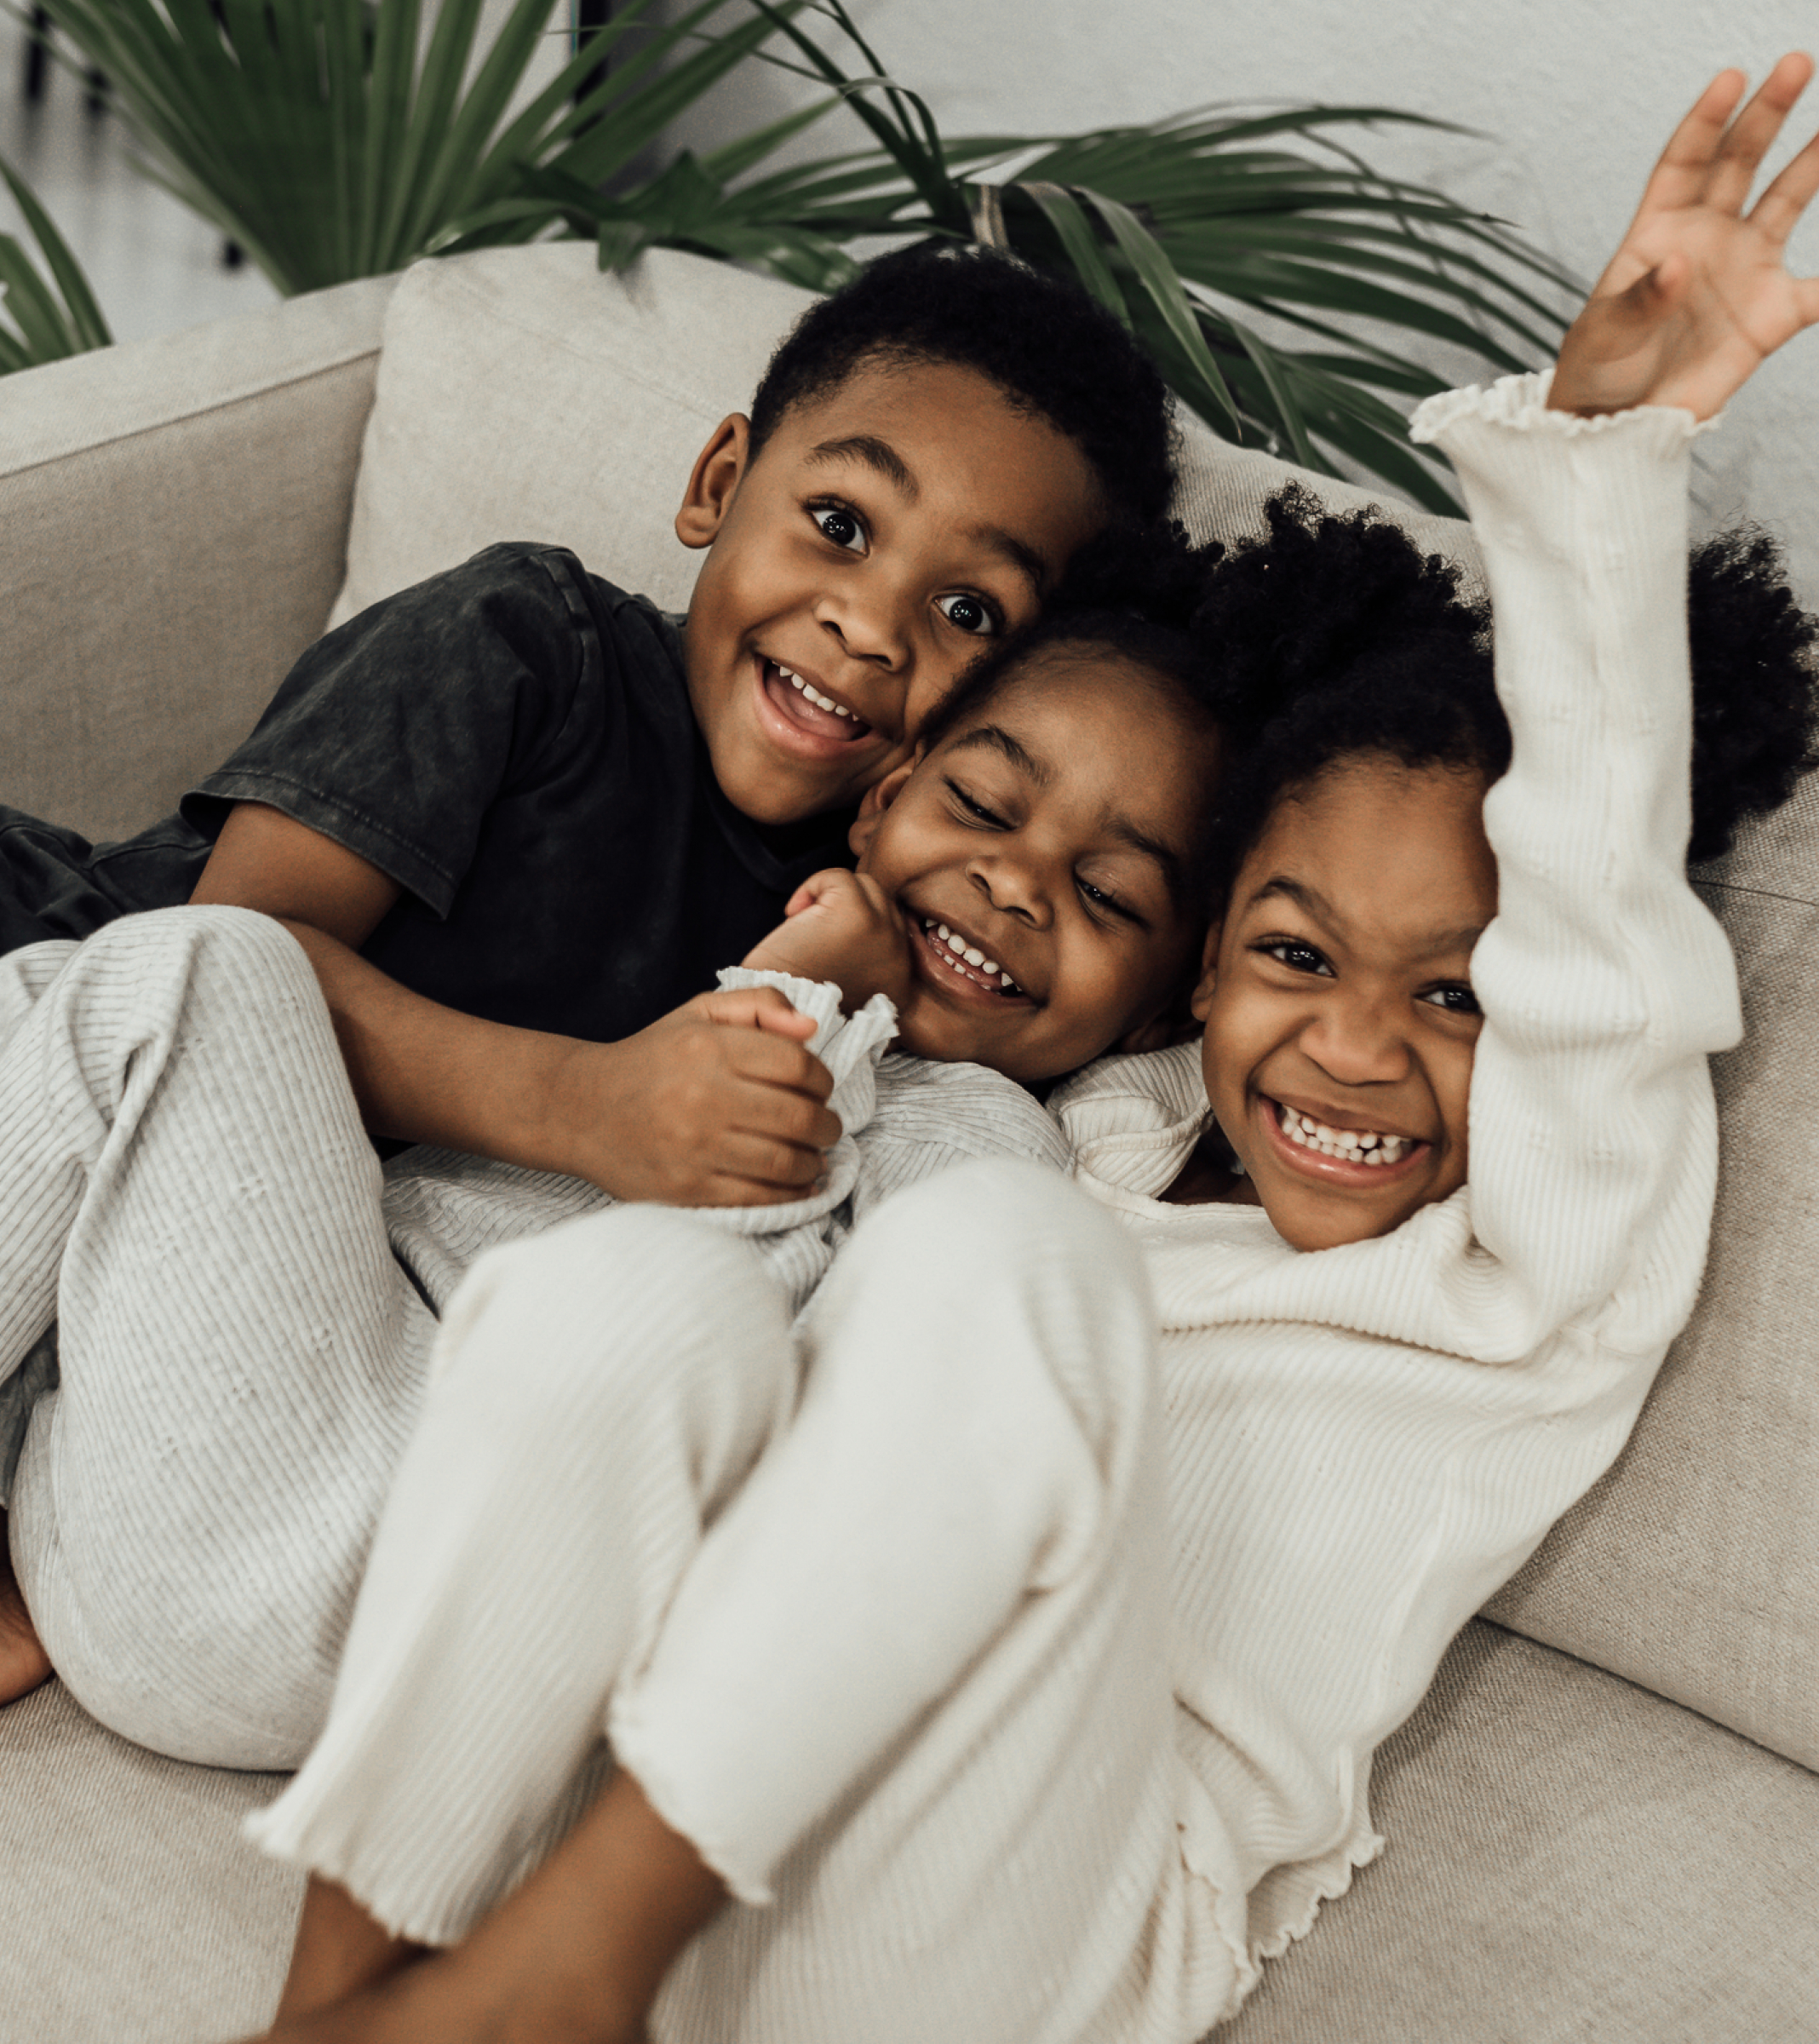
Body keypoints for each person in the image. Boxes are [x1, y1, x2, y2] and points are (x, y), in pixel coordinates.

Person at [137, 57, 1810, 2044]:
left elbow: (1600, 920)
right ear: (1198, 969)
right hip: (756, 1790)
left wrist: (1607, 459)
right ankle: (345, 2002)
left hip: (1043, 1921)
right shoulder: (1100, 1117)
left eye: (1459, 994)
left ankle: (554, 1981)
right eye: (1290, 949)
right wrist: (831, 973)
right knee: (648, 1301)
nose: (1357, 1043)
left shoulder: (1535, 1284)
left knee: (1002, 1259)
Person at [0, 240, 1179, 1771]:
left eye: (969, 613)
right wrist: (590, 1104)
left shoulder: (875, 941)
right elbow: (240, 943)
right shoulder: (532, 647)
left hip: (113, 1299)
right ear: (720, 480)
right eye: (838, 523)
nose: (870, 623)